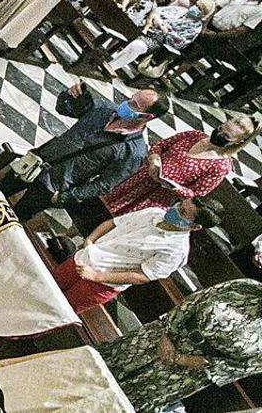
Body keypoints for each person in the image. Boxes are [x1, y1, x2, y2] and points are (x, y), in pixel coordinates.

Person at [0, 83, 169, 222]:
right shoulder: (104, 109)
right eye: (131, 98)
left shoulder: (134, 152)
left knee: (11, 220)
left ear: (147, 116)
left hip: (53, 186)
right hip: (37, 161)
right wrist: (69, 95)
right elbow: (64, 109)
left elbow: (104, 184)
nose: (126, 104)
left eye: (134, 105)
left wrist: (64, 198)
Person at [64, 120, 259, 235]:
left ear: (237, 142)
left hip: (154, 198)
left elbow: (197, 195)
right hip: (137, 177)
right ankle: (68, 233)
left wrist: (171, 185)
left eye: (226, 136)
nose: (219, 134)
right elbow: (160, 145)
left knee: (115, 222)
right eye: (220, 129)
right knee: (95, 205)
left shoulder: (220, 165)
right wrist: (155, 159)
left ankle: (83, 247)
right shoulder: (194, 135)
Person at [98, 278, 262, 413]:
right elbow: (196, 299)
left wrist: (179, 359)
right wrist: (167, 334)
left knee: (119, 400)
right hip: (161, 336)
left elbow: (237, 368)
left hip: (186, 371)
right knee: (104, 364)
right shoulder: (248, 287)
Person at [52, 197, 221, 312]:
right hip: (83, 259)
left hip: (99, 284)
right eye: (179, 205)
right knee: (43, 285)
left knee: (57, 309)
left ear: (194, 227)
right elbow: (113, 223)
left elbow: (141, 276)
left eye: (183, 213)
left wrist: (96, 276)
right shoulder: (154, 212)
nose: (175, 210)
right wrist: (90, 240)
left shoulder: (176, 251)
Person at [108, 0, 210, 72]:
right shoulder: (180, 10)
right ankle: (106, 52)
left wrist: (166, 30)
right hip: (147, 24)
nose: (195, 8)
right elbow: (158, 11)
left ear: (203, 14)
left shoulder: (196, 27)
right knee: (124, 24)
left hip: (158, 39)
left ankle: (111, 66)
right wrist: (158, 21)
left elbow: (181, 42)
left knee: (138, 46)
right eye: (196, 5)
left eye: (199, 8)